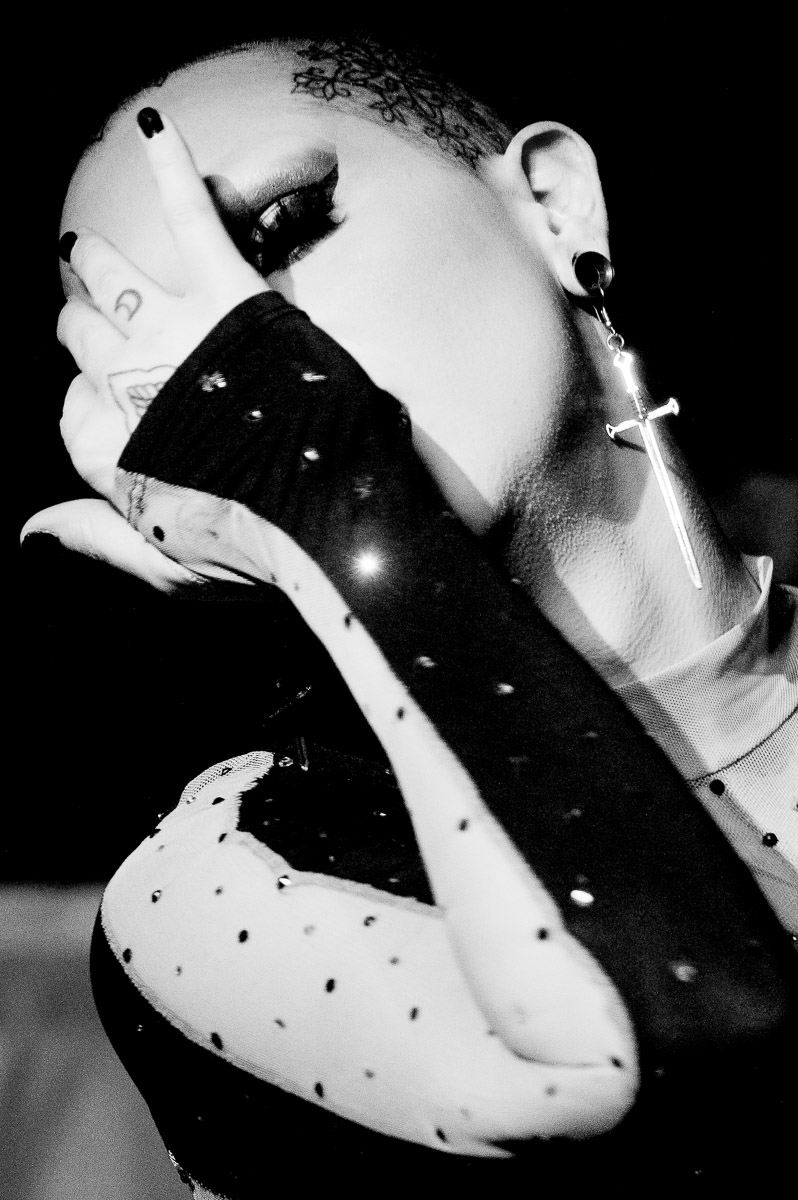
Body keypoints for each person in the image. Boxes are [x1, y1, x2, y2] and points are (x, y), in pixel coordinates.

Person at [22, 35, 797, 1197]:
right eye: (168, 356)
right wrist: (333, 513)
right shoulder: (226, 876)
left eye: (276, 234)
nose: (247, 356)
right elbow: (677, 1035)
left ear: (552, 208)